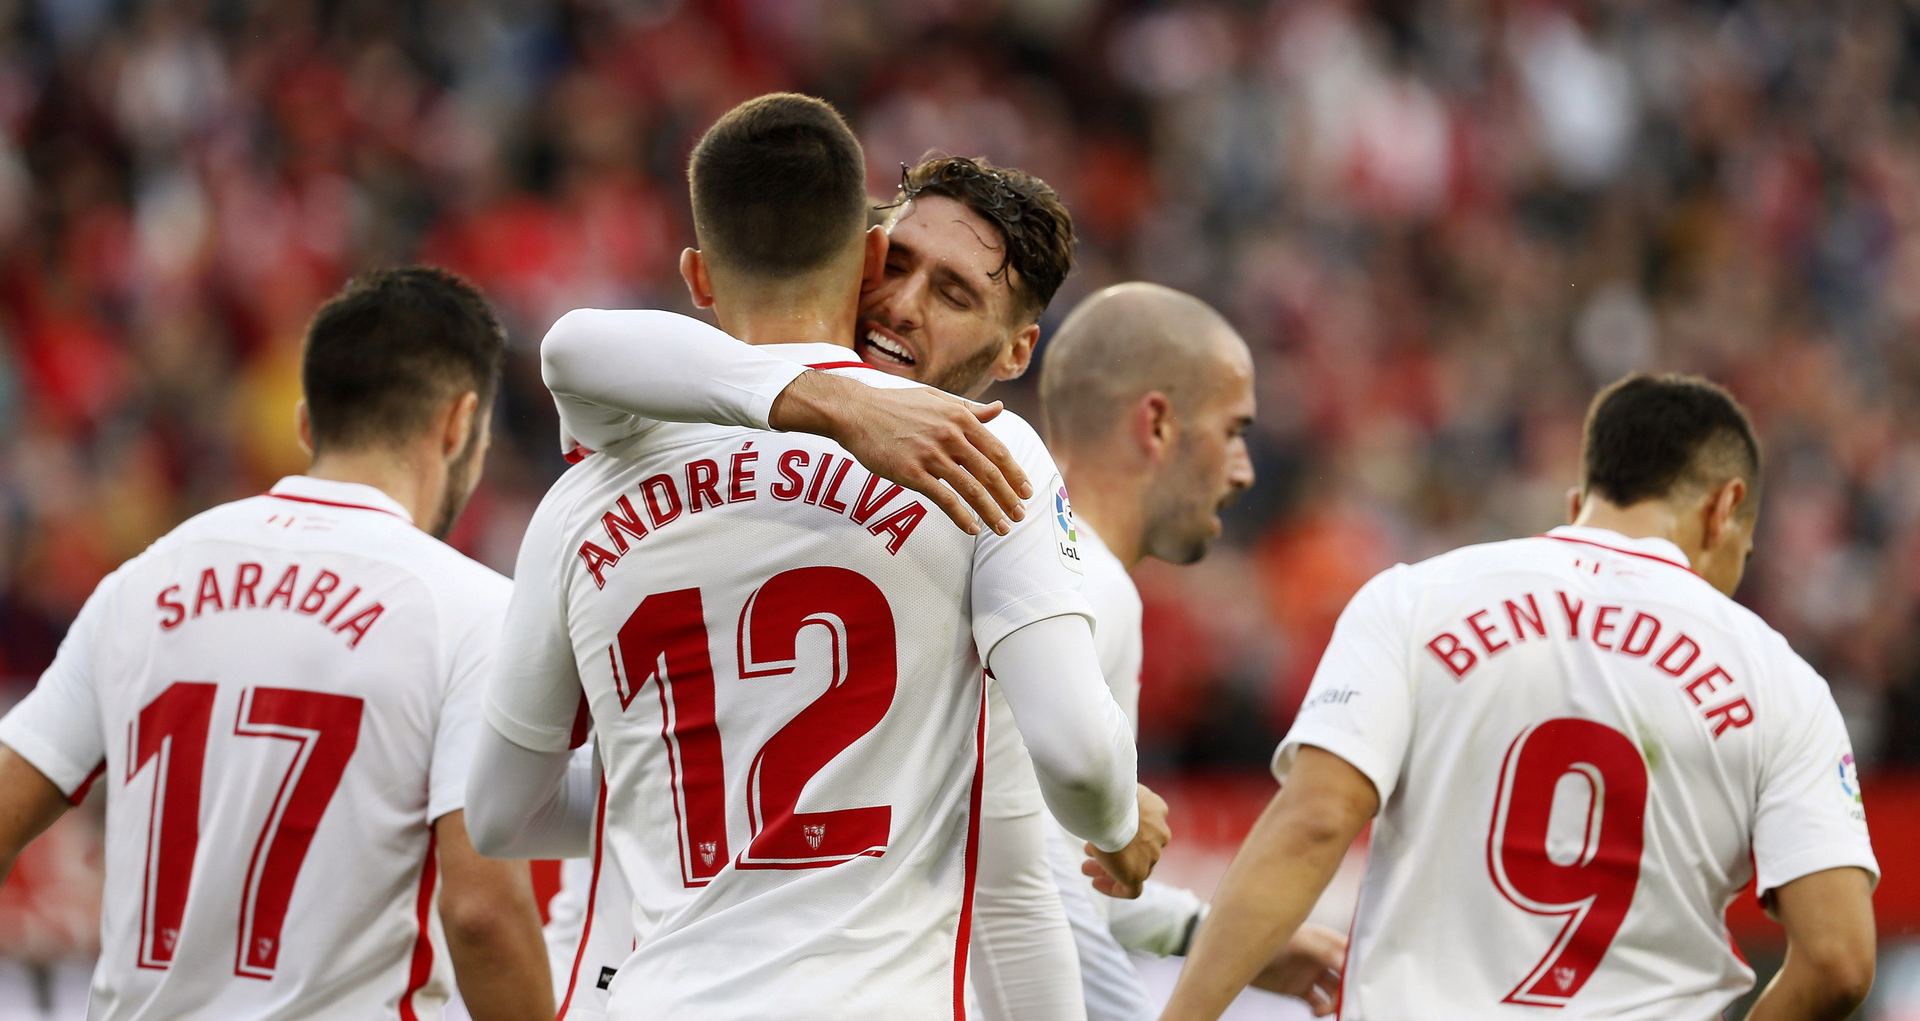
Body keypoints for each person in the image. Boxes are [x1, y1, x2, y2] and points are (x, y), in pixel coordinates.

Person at [466, 93, 1165, 1021]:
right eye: (903, 267)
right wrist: (1117, 819)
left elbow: (501, 815)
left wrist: (670, 767)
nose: (907, 306)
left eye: (955, 294)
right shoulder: (991, 469)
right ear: (869, 253)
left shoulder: (590, 485)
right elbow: (1074, 767)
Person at [1162, 373, 1880, 1021]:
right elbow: (1840, 961)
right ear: (1725, 509)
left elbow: (1315, 821)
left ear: (1578, 504)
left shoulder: (1416, 600)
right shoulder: (1781, 679)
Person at [0, 267, 553, 1020]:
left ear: (305, 424)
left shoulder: (146, 580)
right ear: (459, 424)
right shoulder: (470, 609)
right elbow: (484, 914)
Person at [1039, 282, 1343, 1019]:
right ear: (1158, 423)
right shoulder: (1085, 587)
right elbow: (1031, 884)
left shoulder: (1033, 563)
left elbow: (1058, 871)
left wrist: (1213, 935)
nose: (1244, 469)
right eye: (1233, 430)